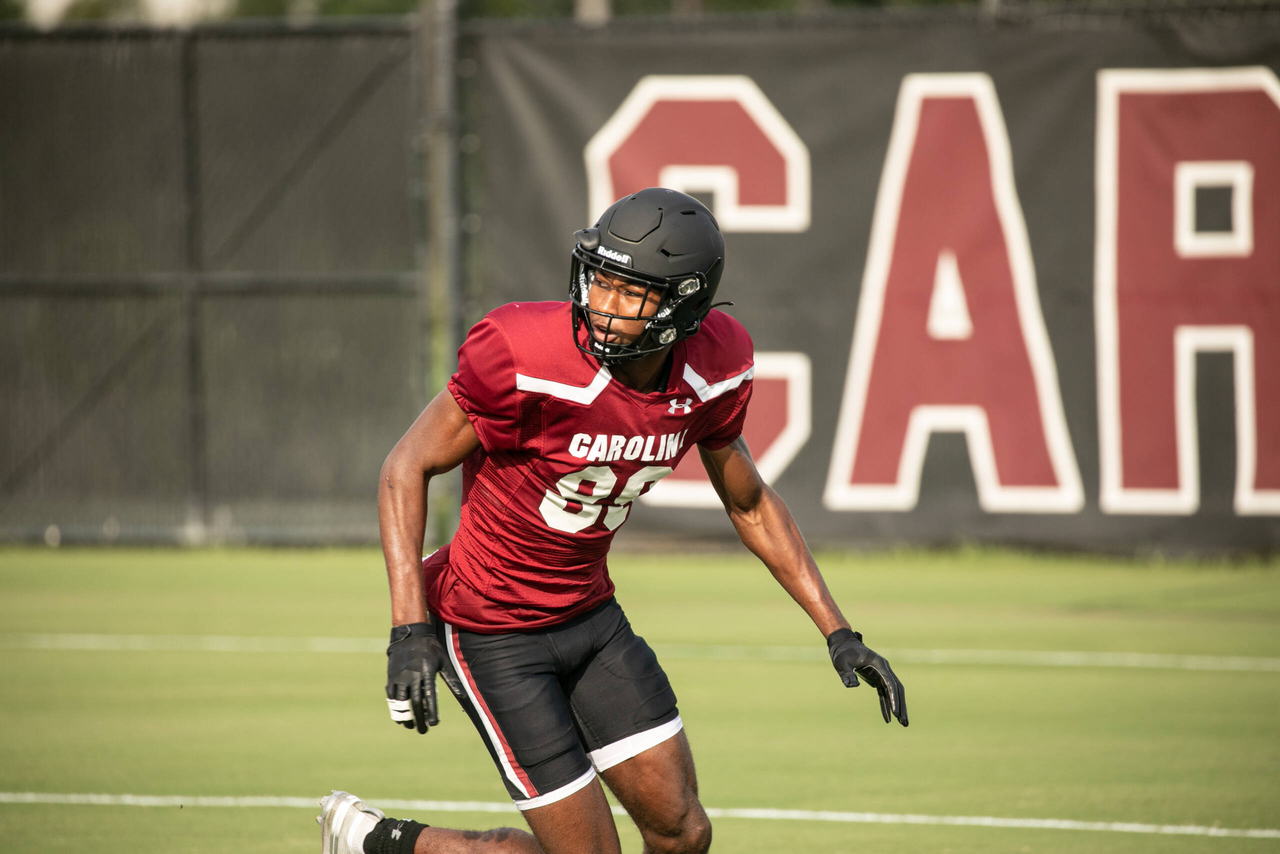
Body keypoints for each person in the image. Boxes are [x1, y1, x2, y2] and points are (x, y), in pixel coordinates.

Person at [318, 187, 907, 854]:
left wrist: (838, 631)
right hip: (491, 628)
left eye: (631, 293)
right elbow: (405, 466)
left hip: (591, 620)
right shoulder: (526, 355)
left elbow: (748, 502)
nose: (602, 302)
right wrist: (408, 627)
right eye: (601, 280)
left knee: (684, 833)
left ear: (683, 306)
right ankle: (380, 842)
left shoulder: (713, 371)